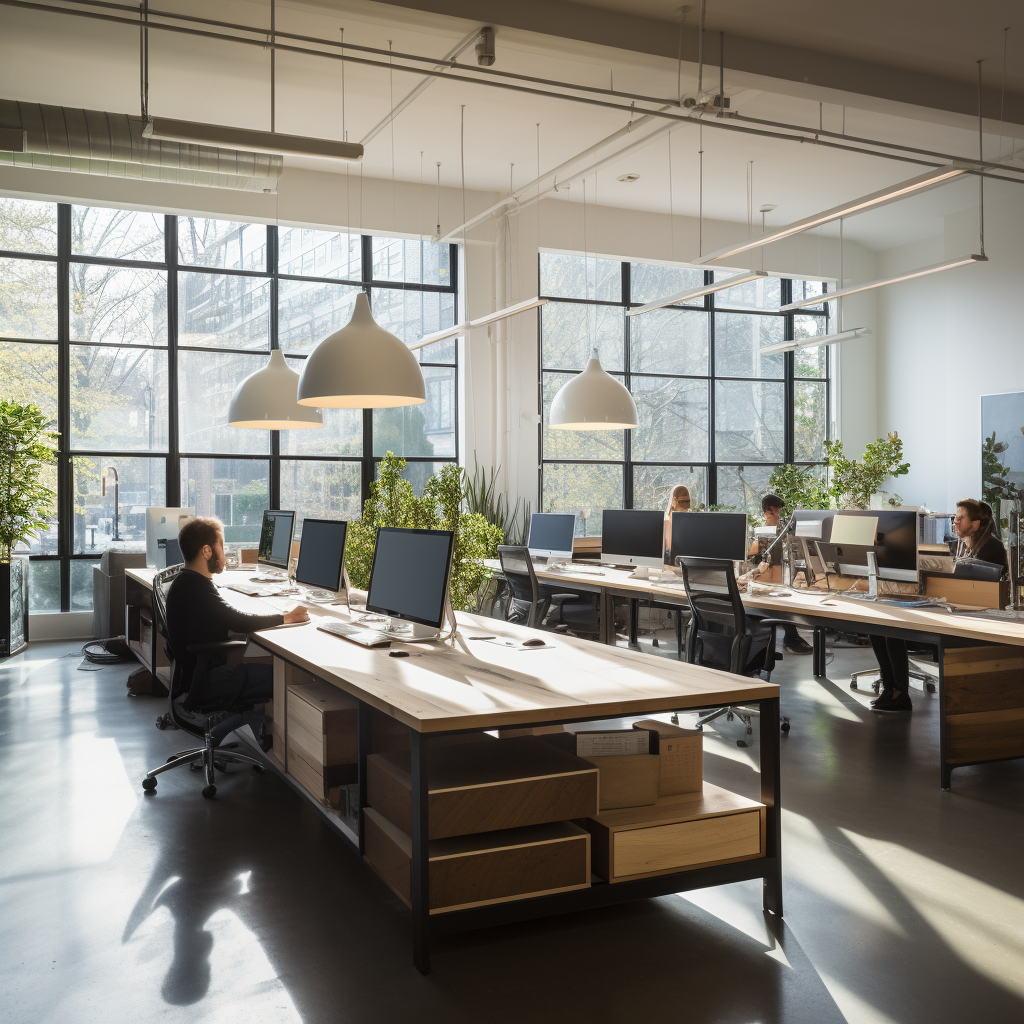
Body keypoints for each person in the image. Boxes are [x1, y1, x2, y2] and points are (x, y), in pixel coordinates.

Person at [165, 517, 308, 741]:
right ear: (206, 551)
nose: (224, 552)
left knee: (270, 664)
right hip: (209, 681)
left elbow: (226, 618)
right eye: (221, 545)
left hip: (193, 678)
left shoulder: (187, 582)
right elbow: (239, 621)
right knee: (288, 678)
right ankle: (286, 754)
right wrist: (287, 617)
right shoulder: (195, 587)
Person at [870, 496, 1008, 714]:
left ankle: (900, 694)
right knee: (877, 629)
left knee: (892, 632)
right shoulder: (959, 545)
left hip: (971, 615)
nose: (955, 522)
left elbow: (981, 589)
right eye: (956, 517)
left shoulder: (992, 548)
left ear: (976, 523)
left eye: (960, 518)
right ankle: (890, 688)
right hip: (948, 605)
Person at [749, 493, 813, 655]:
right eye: (775, 511)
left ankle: (791, 637)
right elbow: (753, 558)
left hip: (781, 577)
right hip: (765, 579)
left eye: (780, 511)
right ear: (766, 512)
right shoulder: (760, 534)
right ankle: (790, 638)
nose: (778, 514)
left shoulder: (785, 533)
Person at [663, 484, 691, 558]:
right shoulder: (665, 522)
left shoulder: (690, 522)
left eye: (687, 501)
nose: (685, 506)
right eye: (681, 501)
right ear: (674, 501)